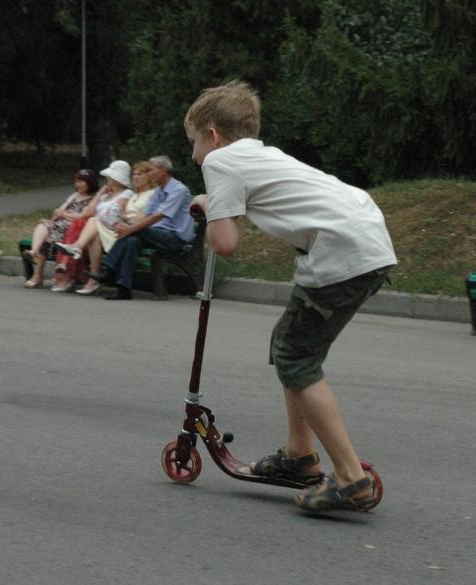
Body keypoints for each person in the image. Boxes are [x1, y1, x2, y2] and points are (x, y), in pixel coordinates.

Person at [184, 81, 396, 512]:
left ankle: (351, 478)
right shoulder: (263, 153)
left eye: (193, 143)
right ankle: (299, 454)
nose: (194, 155)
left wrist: (207, 208)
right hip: (362, 238)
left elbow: (224, 243)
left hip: (340, 252)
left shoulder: (222, 160)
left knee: (296, 358)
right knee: (291, 348)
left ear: (213, 133)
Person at [84, 156, 196, 300]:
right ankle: (123, 289)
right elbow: (146, 216)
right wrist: (127, 226)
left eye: (151, 170)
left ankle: (109, 270)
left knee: (133, 232)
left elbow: (157, 216)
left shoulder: (178, 190)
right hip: (155, 234)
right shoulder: (159, 191)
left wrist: (130, 228)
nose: (148, 174)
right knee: (132, 240)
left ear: (162, 171)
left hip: (174, 238)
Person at [56, 160, 154, 295]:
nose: (136, 177)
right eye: (134, 174)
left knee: (92, 220)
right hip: (111, 228)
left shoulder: (136, 194)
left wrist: (126, 219)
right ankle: (93, 279)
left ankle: (77, 248)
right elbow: (90, 211)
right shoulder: (134, 195)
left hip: (124, 231)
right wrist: (101, 192)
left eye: (139, 174)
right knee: (93, 232)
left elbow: (142, 216)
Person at [22, 169, 98, 289]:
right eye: (77, 181)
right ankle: (34, 252)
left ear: (90, 182)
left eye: (81, 181)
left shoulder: (93, 200)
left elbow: (82, 217)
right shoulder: (74, 196)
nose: (78, 184)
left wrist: (63, 214)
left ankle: (37, 276)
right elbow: (58, 212)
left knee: (50, 235)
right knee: (43, 225)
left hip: (73, 229)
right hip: (59, 225)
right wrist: (55, 216)